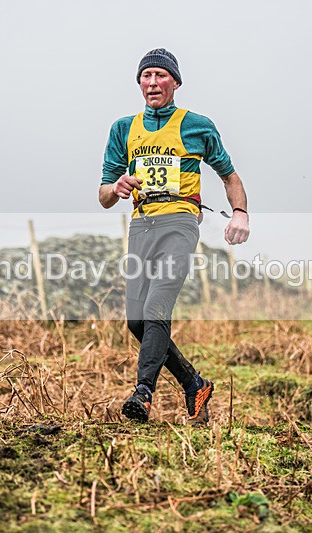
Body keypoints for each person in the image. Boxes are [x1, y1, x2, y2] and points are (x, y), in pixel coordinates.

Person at [98, 48, 250, 424]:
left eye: (160, 76)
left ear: (175, 82)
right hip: (141, 225)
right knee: (137, 321)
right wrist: (115, 186)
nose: (152, 82)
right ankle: (194, 383)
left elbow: (229, 175)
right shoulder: (123, 129)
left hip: (180, 223)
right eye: (146, 76)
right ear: (139, 83)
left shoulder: (197, 125)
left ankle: (143, 393)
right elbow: (103, 195)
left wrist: (241, 214)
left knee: (156, 308)